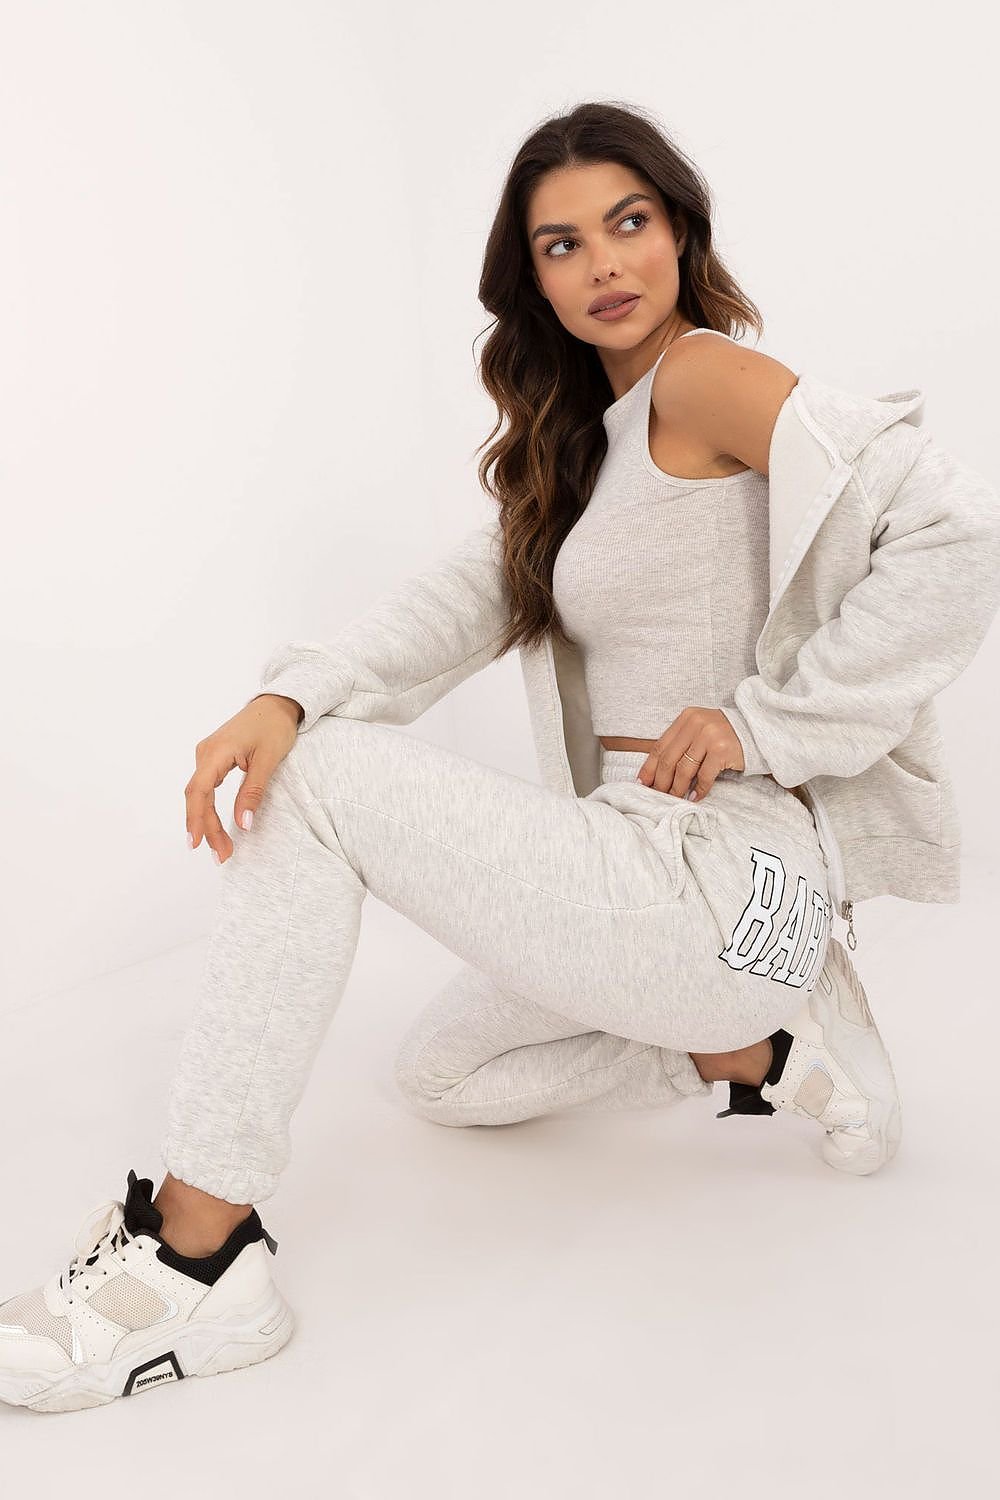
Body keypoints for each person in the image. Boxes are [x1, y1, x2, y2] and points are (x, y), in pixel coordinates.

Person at [5, 101, 999, 1413]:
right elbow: (454, 607)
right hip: (704, 917)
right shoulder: (588, 453)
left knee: (317, 780)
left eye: (629, 222)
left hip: (717, 870)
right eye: (561, 243)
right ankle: (764, 1048)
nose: (605, 264)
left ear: (681, 229)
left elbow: (955, 528)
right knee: (443, 1078)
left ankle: (199, 1255)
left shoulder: (702, 376)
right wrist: (289, 694)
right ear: (529, 279)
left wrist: (770, 722)